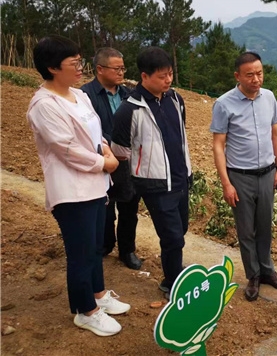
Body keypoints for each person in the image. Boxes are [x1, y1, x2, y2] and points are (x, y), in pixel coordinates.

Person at [27, 36, 130, 337]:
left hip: (95, 186)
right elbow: (66, 149)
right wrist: (104, 163)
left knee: (94, 247)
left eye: (79, 61)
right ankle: (86, 311)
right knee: (81, 253)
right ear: (52, 68)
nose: (80, 68)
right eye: (74, 63)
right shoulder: (44, 105)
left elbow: (95, 133)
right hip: (72, 191)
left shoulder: (78, 95)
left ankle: (98, 294)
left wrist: (106, 150)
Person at [111, 47, 192, 298]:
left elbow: (180, 135)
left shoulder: (175, 99)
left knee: (181, 229)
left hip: (180, 178)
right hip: (155, 184)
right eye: (162, 76)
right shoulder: (130, 110)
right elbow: (120, 151)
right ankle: (172, 282)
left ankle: (174, 269)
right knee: (172, 237)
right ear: (144, 76)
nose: (168, 80)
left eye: (170, 74)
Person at [210, 51, 277, 302]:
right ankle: (253, 275)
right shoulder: (224, 104)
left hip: (267, 173)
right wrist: (226, 183)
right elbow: (218, 145)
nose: (256, 79)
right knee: (246, 230)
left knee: (265, 225)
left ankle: (268, 271)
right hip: (240, 176)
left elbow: (275, 133)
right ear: (237, 76)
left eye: (259, 73)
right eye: (249, 75)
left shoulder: (269, 97)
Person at [81, 47, 142, 270]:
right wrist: (111, 146)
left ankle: (127, 250)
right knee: (104, 208)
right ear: (100, 69)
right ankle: (105, 244)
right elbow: (87, 130)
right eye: (117, 69)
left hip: (127, 160)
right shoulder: (85, 96)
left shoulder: (128, 94)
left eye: (123, 68)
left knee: (129, 208)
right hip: (101, 160)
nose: (121, 73)